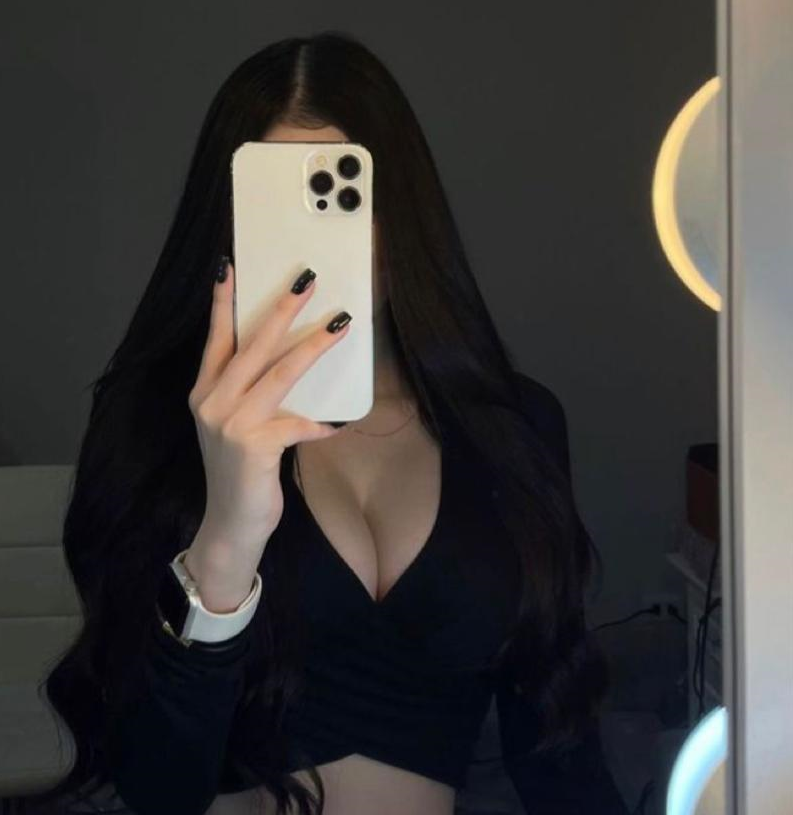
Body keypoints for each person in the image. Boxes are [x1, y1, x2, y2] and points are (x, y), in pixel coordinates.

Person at [35, 31, 630, 815]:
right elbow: (156, 785)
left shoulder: (513, 425)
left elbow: (556, 749)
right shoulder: (152, 420)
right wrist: (226, 537)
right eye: (280, 214)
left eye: (341, 203)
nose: (314, 252)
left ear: (401, 213)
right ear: (228, 227)